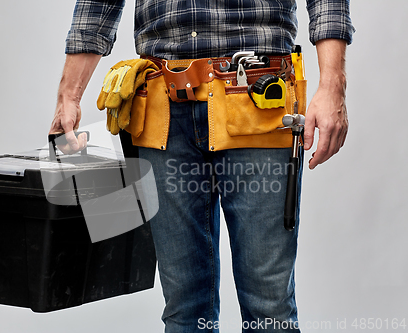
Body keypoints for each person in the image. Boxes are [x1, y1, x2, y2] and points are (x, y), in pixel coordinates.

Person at [49, 1, 354, 332]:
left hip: (256, 101)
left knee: (270, 310)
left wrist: (333, 85)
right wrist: (69, 96)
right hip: (161, 109)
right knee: (184, 310)